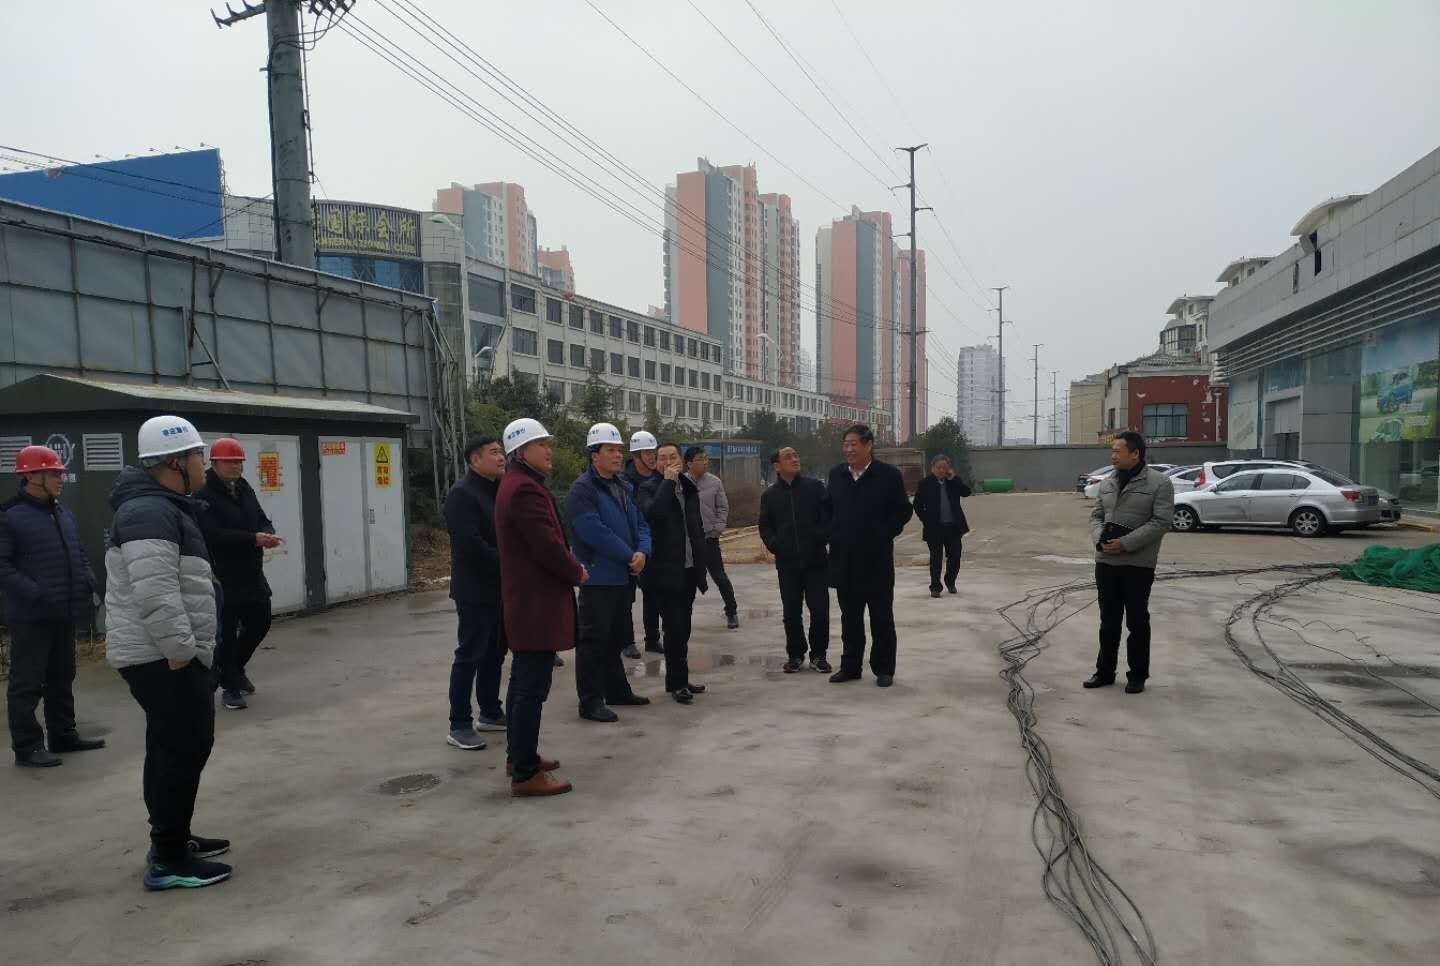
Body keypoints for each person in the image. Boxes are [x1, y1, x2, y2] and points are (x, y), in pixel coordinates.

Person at [106, 415, 230, 890]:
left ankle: (172, 837)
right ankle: (169, 858)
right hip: (163, 656)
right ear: (175, 462)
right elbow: (155, 592)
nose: (204, 465)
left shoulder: (160, 506)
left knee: (171, 747)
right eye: (198, 455)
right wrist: (182, 651)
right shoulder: (148, 512)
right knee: (182, 748)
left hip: (163, 653)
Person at [495, 417, 586, 796]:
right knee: (531, 688)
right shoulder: (524, 490)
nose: (549, 450)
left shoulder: (519, 484)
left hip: (529, 602)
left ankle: (519, 755)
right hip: (535, 603)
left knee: (523, 684)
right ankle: (525, 774)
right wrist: (576, 571)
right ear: (521, 451)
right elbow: (546, 545)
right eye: (541, 444)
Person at [0, 446, 105, 768]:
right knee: (27, 682)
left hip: (63, 610)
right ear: (32, 475)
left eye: (60, 473)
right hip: (31, 616)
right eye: (54, 473)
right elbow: (2, 566)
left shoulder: (62, 512)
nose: (61, 478)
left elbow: (78, 551)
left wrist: (87, 578)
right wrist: (36, 593)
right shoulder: (10, 516)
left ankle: (63, 735)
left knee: (62, 676)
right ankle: (27, 747)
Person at [567, 423, 653, 723]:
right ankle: (590, 701)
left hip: (624, 576)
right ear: (594, 455)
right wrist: (630, 555)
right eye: (611, 450)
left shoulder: (623, 486)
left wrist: (643, 552)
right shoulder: (582, 490)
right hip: (598, 578)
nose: (618, 455)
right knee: (593, 642)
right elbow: (593, 531)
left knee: (616, 638)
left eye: (619, 450)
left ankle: (617, 690)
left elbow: (641, 524)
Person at [195, 438, 283, 712]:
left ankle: (231, 670)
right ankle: (231, 688)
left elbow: (260, 517)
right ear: (214, 463)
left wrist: (267, 532)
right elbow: (212, 534)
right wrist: (252, 539)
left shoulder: (244, 488)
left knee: (261, 621)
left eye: (238, 462)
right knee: (228, 634)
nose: (235, 467)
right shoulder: (203, 493)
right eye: (229, 462)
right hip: (223, 574)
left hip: (251, 572)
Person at [1085, 431, 1174, 695]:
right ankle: (1104, 672)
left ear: (1135, 454)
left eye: (1118, 451)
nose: (1112, 455)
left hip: (1138, 564)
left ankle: (1137, 675)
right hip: (1106, 562)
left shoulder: (1159, 483)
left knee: (1136, 621)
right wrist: (1099, 538)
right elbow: (1096, 516)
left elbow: (1161, 522)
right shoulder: (1108, 483)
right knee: (1108, 621)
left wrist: (1125, 543)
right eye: (1112, 451)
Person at [825, 425, 913, 688]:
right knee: (849, 618)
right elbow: (827, 509)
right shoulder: (837, 475)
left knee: (881, 617)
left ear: (868, 445)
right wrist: (831, 532)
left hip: (876, 560)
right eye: (846, 444)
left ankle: (884, 669)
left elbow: (903, 511)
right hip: (844, 560)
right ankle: (850, 666)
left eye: (853, 444)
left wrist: (884, 533)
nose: (848, 449)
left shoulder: (888, 475)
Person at [440, 435, 509, 751]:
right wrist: (510, 562)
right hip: (475, 590)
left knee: (495, 653)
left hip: (499, 587)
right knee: (469, 655)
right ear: (474, 459)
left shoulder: (498, 490)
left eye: (501, 452)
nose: (501, 457)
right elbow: (471, 545)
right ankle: (459, 724)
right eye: (494, 452)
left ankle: (490, 712)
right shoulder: (462, 494)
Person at [637, 442, 709, 704]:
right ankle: (677, 683)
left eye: (672, 457)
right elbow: (654, 513)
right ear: (655, 462)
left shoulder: (688, 486)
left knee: (684, 627)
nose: (667, 462)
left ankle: (679, 678)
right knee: (674, 628)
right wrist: (667, 482)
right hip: (664, 571)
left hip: (689, 568)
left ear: (681, 460)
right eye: (662, 458)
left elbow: (695, 525)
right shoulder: (648, 487)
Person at [757, 447, 831, 675]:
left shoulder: (814, 487)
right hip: (787, 564)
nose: (795, 459)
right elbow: (765, 526)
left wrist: (820, 537)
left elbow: (828, 516)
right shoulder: (770, 495)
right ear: (777, 466)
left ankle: (819, 656)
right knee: (791, 612)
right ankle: (795, 655)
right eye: (788, 457)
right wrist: (775, 544)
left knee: (819, 611)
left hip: (816, 561)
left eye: (796, 455)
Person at [684, 446, 739, 629]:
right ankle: (681, 617)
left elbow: (723, 507)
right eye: (700, 459)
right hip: (688, 540)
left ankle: (731, 611)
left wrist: (717, 528)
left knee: (719, 576)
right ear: (689, 463)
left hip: (708, 538)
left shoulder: (715, 482)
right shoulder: (680, 482)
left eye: (705, 458)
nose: (705, 462)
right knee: (687, 580)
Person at [623, 430, 663, 658]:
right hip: (629, 543)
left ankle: (652, 639)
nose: (652, 456)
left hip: (652, 543)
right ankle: (627, 641)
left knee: (653, 593)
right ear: (636, 455)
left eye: (653, 452)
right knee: (626, 596)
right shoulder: (623, 481)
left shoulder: (657, 479)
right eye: (647, 453)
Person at [911, 455, 972, 598]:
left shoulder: (953, 482)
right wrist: (926, 520)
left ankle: (950, 581)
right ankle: (935, 587)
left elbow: (966, 492)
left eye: (944, 467)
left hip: (953, 527)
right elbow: (917, 505)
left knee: (955, 557)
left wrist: (954, 479)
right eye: (938, 467)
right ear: (932, 468)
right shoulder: (925, 483)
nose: (941, 470)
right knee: (936, 559)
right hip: (935, 528)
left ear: (948, 468)